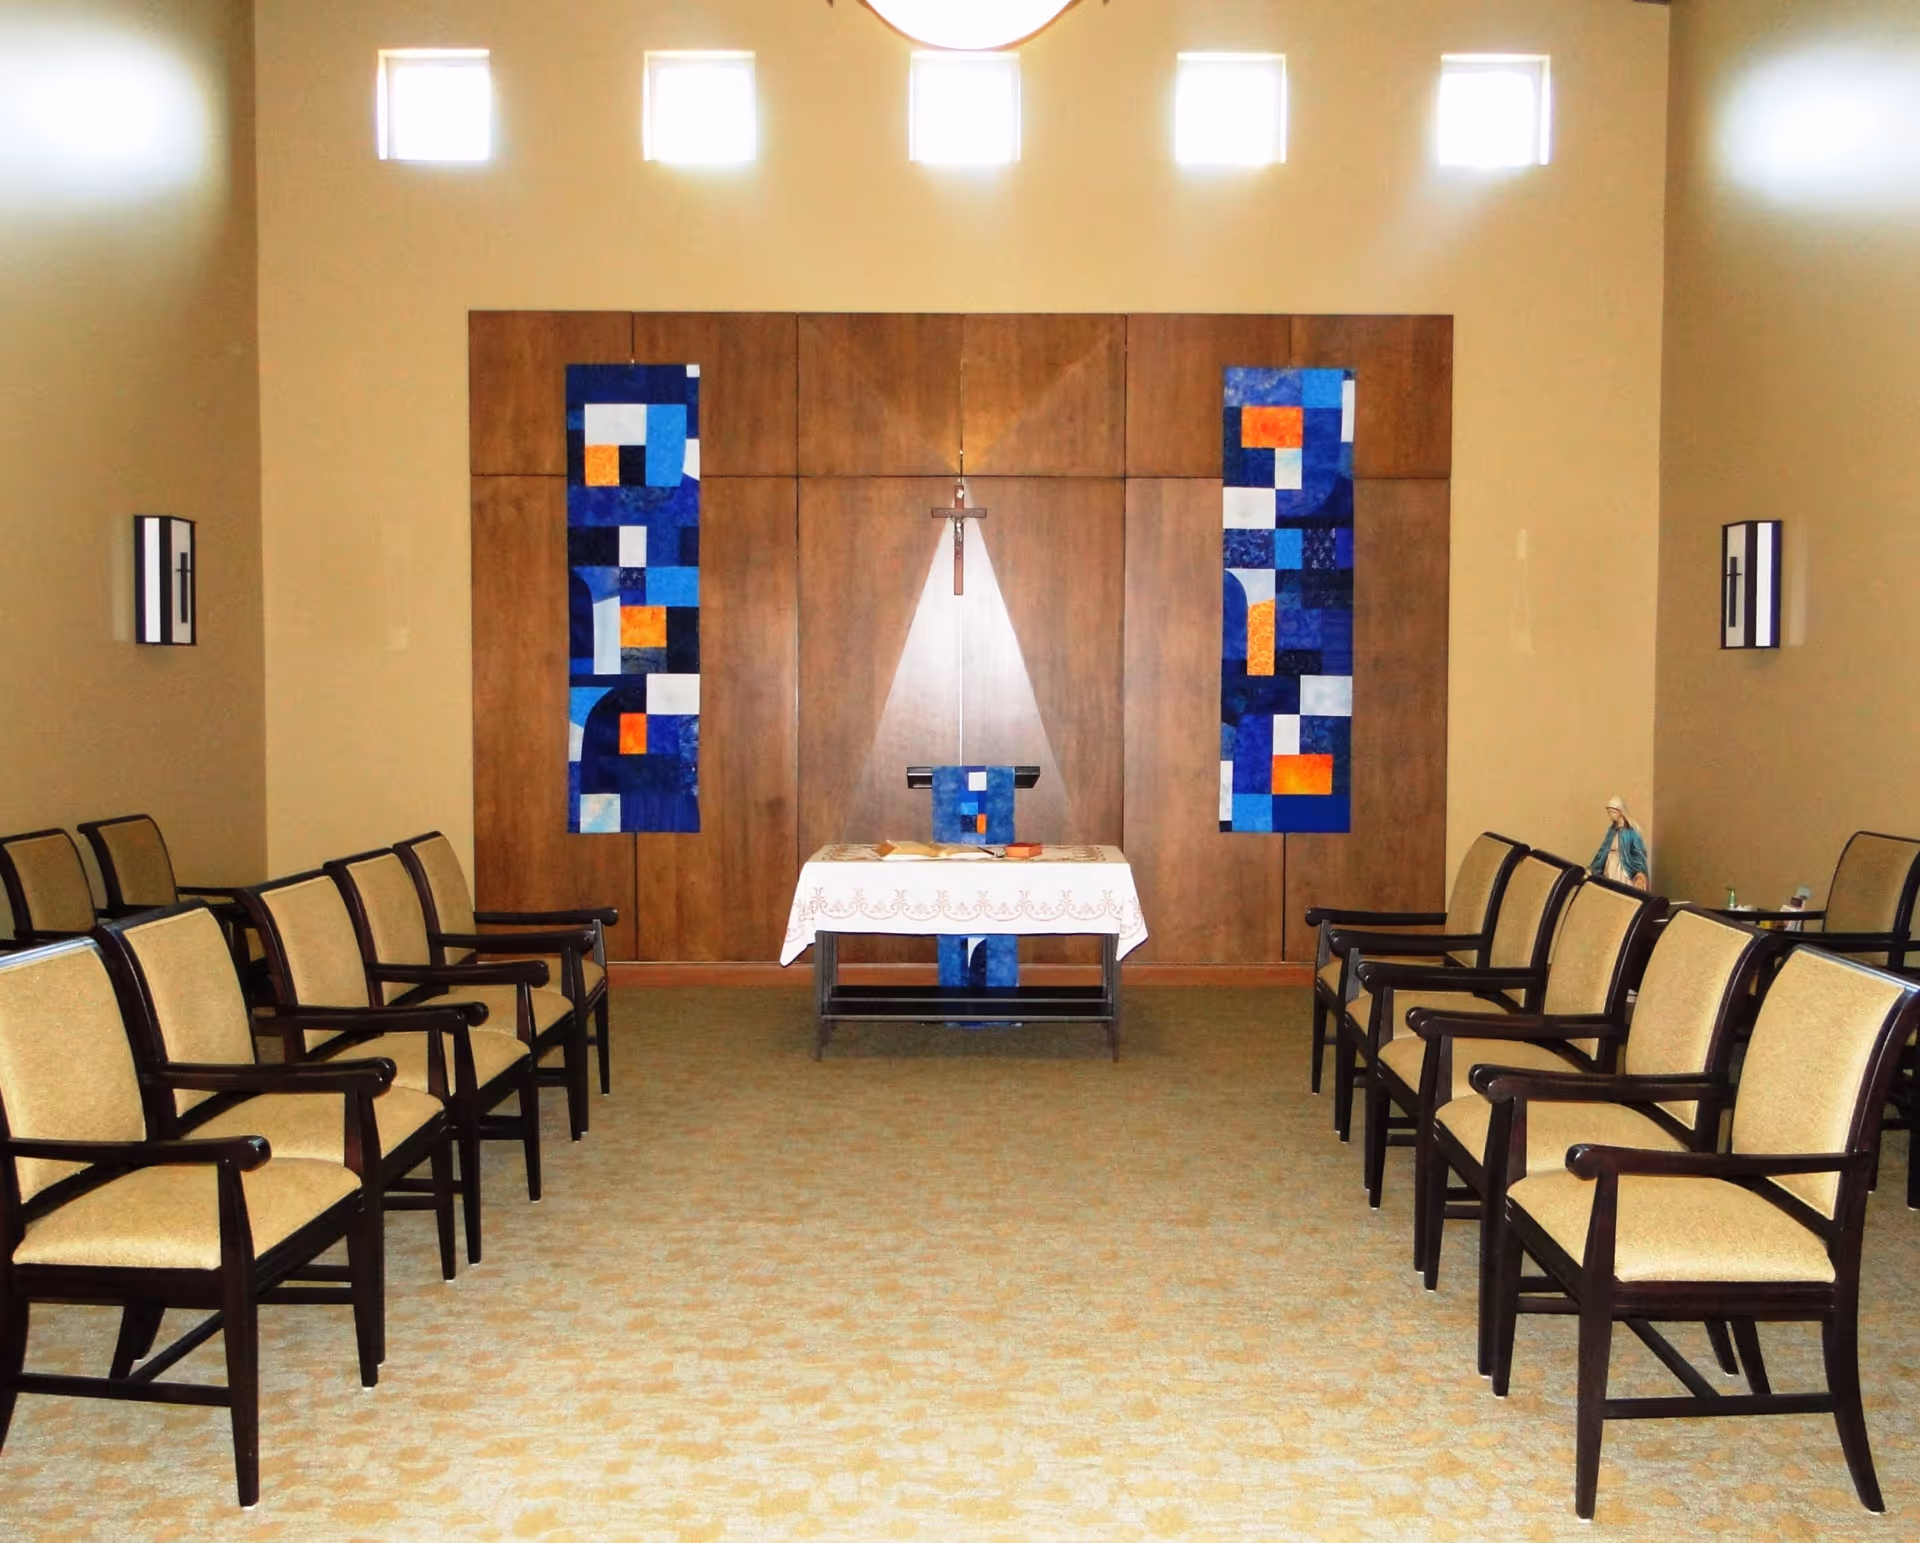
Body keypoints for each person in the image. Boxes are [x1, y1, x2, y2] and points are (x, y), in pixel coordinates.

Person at [1590, 796, 1650, 891]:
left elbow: (1638, 853)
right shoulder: (1612, 831)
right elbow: (1603, 851)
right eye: (1609, 812)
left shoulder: (1631, 832)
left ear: (1621, 812)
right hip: (1610, 864)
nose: (1611, 815)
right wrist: (1594, 867)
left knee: (1623, 890)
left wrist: (1639, 873)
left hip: (1624, 868)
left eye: (1613, 812)